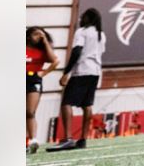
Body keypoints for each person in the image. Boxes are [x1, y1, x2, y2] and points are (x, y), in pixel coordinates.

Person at [47, 8, 106, 151]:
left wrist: (66, 72)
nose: (80, 19)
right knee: (87, 104)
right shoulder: (101, 35)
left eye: (83, 17)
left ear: (89, 18)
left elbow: (77, 51)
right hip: (95, 72)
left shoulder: (82, 32)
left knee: (66, 102)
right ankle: (83, 139)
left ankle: (68, 138)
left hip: (82, 70)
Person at [26, 27, 60, 153]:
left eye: (41, 35)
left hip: (33, 80)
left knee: (30, 112)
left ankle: (33, 139)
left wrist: (45, 41)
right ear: (28, 36)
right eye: (36, 35)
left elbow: (55, 61)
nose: (38, 37)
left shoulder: (42, 52)